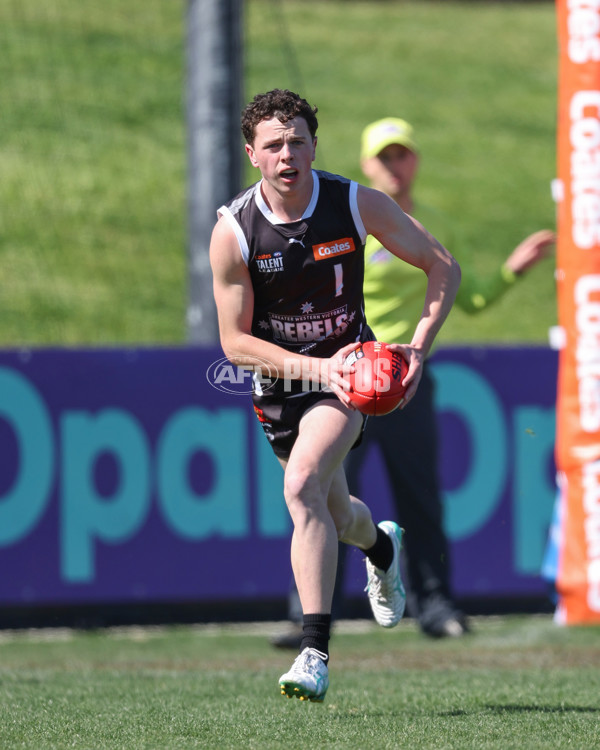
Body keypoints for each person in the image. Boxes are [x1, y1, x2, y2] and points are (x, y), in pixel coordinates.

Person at [209, 92, 461, 702]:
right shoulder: (234, 232)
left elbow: (441, 266)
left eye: (297, 140)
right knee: (335, 509)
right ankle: (381, 545)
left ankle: (314, 652)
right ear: (252, 155)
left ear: (315, 146)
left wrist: (417, 350)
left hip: (352, 376)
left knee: (300, 489)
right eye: (273, 144)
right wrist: (317, 370)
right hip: (282, 383)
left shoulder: (354, 202)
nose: (287, 153)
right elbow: (236, 345)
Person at [271, 116, 556, 647]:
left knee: (419, 495)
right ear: (366, 164)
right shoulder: (348, 222)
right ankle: (310, 614)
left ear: (415, 162)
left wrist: (512, 271)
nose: (395, 165)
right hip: (343, 380)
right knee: (323, 492)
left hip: (404, 383)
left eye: (402, 154)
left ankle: (436, 606)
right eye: (384, 157)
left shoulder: (421, 226)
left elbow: (463, 295)